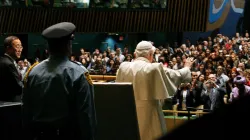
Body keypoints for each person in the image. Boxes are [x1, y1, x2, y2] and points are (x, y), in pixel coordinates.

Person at [22, 22, 97, 140]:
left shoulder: (32, 72)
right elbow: (86, 117)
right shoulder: (78, 73)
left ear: (48, 47)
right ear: (68, 45)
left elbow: (26, 113)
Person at [116, 41, 194, 140]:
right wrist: (187, 67)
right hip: (149, 113)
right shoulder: (154, 68)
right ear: (150, 54)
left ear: (135, 54)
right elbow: (176, 75)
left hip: (128, 111)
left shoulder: (123, 67)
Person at [0, 36, 23, 101]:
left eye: (21, 47)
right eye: (17, 46)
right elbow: (18, 88)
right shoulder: (8, 64)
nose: (20, 50)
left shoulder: (3, 61)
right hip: (11, 102)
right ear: (8, 48)